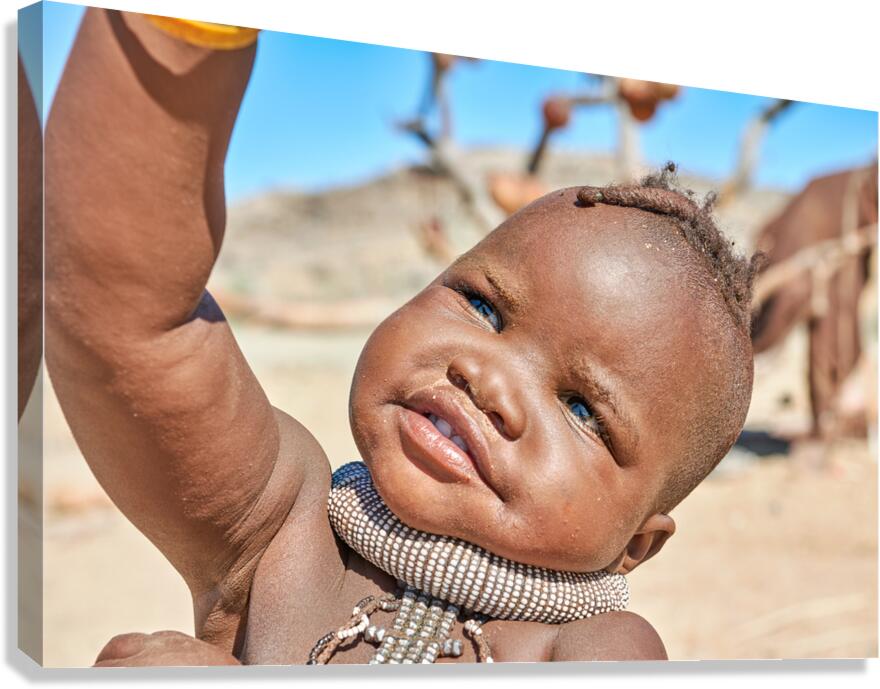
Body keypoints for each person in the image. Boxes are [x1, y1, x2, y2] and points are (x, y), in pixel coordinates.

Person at [46, 8, 758, 666]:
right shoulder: (286, 524)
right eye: (482, 306)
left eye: (581, 408)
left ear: (636, 543)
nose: (489, 377)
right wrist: (190, 29)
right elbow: (131, 317)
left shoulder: (596, 649)